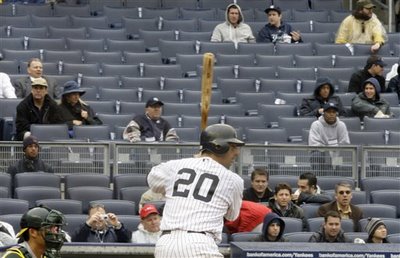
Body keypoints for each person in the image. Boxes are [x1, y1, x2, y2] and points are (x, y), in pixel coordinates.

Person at [148, 124, 244, 258]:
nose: (236, 152)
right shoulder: (234, 180)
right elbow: (231, 216)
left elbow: (153, 181)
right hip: (200, 245)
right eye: (233, 147)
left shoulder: (175, 166)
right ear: (219, 146)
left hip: (165, 246)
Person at [1, 206, 66, 258]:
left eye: (55, 228)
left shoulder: (48, 255)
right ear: (32, 232)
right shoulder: (14, 256)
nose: (55, 232)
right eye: (49, 228)